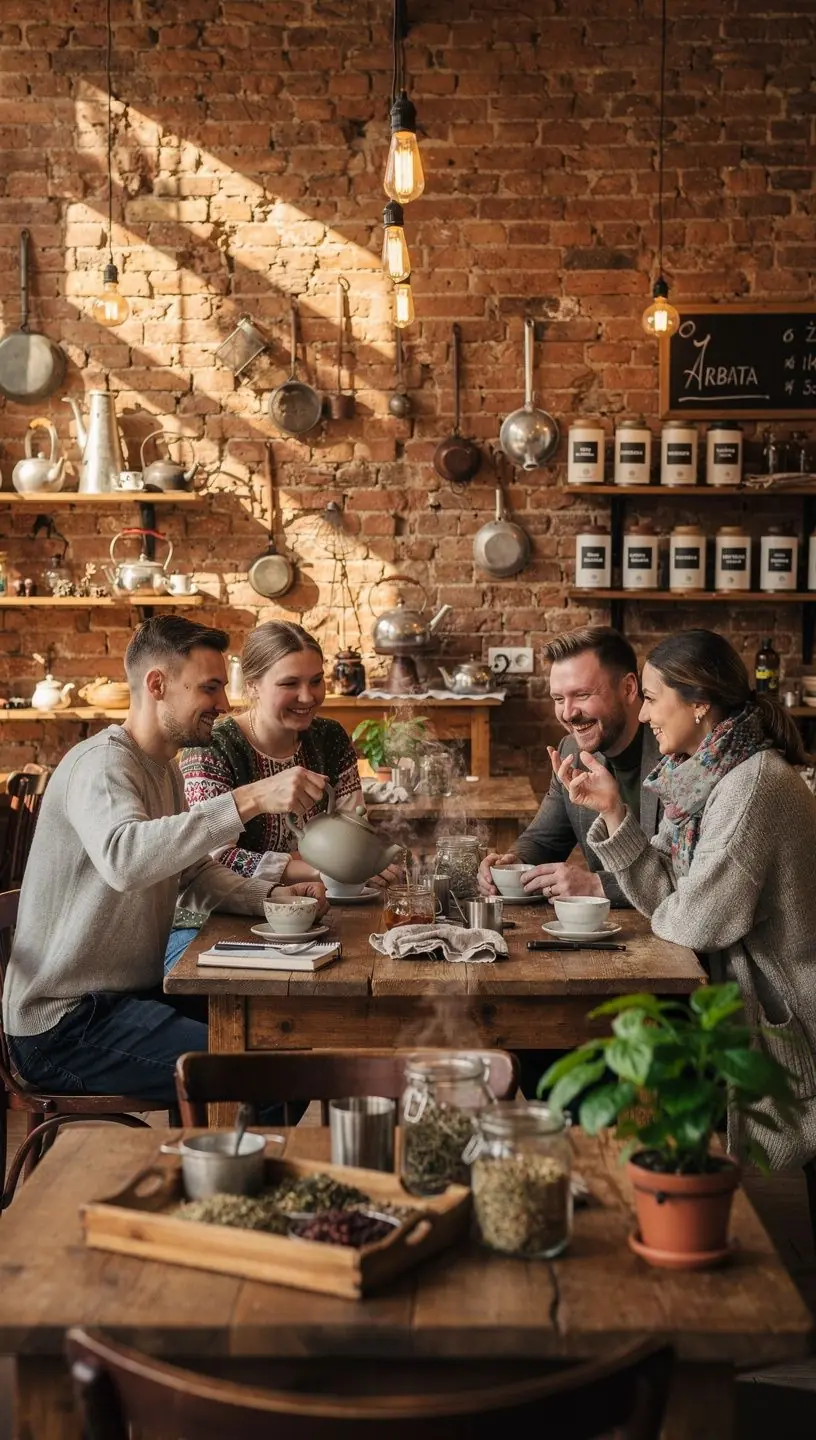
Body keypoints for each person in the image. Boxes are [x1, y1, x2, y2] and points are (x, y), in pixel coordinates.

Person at [3, 616, 327, 1107]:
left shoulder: (164, 769)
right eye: (210, 688)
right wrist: (249, 799)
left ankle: (203, 1165)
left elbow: (190, 871)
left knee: (278, 1040)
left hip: (126, 999)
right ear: (157, 684)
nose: (222, 704)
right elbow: (126, 859)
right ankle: (216, 1177)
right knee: (268, 1079)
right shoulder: (102, 764)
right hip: (64, 1023)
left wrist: (272, 899)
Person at [557, 628, 816, 1169]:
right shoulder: (702, 779)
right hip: (733, 998)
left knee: (623, 1068)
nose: (646, 714)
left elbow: (692, 920)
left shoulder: (751, 787)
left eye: (652, 698)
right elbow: (669, 898)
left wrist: (674, 903)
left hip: (790, 1013)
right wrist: (612, 811)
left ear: (698, 704)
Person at [479, 626, 660, 903]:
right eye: (558, 699)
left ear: (628, 688)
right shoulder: (570, 751)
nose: (567, 713)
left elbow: (680, 878)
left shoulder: (675, 749)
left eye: (583, 695)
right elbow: (543, 841)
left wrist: (596, 885)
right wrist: (511, 865)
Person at [180, 621, 364, 887]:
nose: (307, 697)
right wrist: (317, 868)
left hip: (323, 901)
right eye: (289, 683)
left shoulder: (331, 737)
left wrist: (358, 860)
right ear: (253, 685)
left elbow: (354, 833)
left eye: (316, 681)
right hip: (225, 916)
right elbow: (212, 858)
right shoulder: (212, 749)